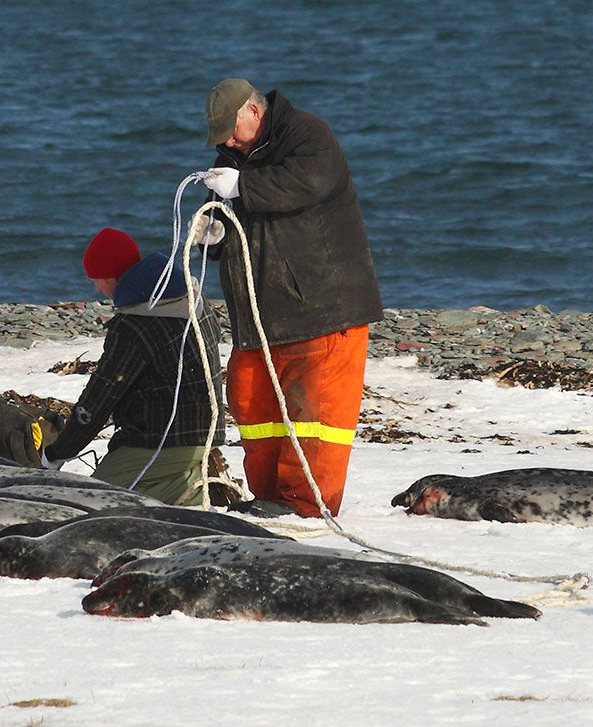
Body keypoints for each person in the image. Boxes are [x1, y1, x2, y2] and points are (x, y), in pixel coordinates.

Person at [196, 78, 383, 518]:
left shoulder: (308, 136)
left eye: (229, 128)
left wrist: (241, 188)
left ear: (253, 112)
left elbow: (304, 184)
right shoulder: (230, 160)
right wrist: (212, 234)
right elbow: (227, 219)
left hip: (322, 310)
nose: (224, 140)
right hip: (260, 319)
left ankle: (306, 510)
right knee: (252, 406)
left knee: (314, 417)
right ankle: (268, 500)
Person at [40, 227, 225, 506]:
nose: (97, 289)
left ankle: (189, 492)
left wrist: (56, 454)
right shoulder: (192, 298)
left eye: (97, 280)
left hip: (164, 441)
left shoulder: (135, 324)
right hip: (208, 431)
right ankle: (187, 477)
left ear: (111, 277)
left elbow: (100, 398)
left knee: (93, 500)